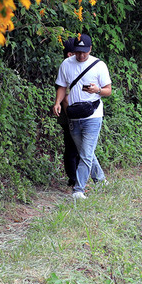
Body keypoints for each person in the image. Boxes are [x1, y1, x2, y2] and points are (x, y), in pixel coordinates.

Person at [52, 33, 111, 200]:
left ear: (90, 49)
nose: (81, 55)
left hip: (93, 115)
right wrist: (57, 103)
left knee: (85, 154)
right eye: (78, 52)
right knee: (86, 152)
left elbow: (108, 90)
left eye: (84, 52)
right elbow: (62, 86)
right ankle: (100, 180)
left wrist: (97, 90)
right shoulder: (66, 64)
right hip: (73, 115)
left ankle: (78, 190)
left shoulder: (99, 66)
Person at [57, 35, 80, 189]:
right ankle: (73, 179)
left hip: (76, 115)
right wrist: (71, 116)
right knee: (72, 148)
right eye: (76, 52)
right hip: (70, 116)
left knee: (77, 148)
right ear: (69, 55)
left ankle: (77, 178)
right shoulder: (65, 68)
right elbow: (65, 97)